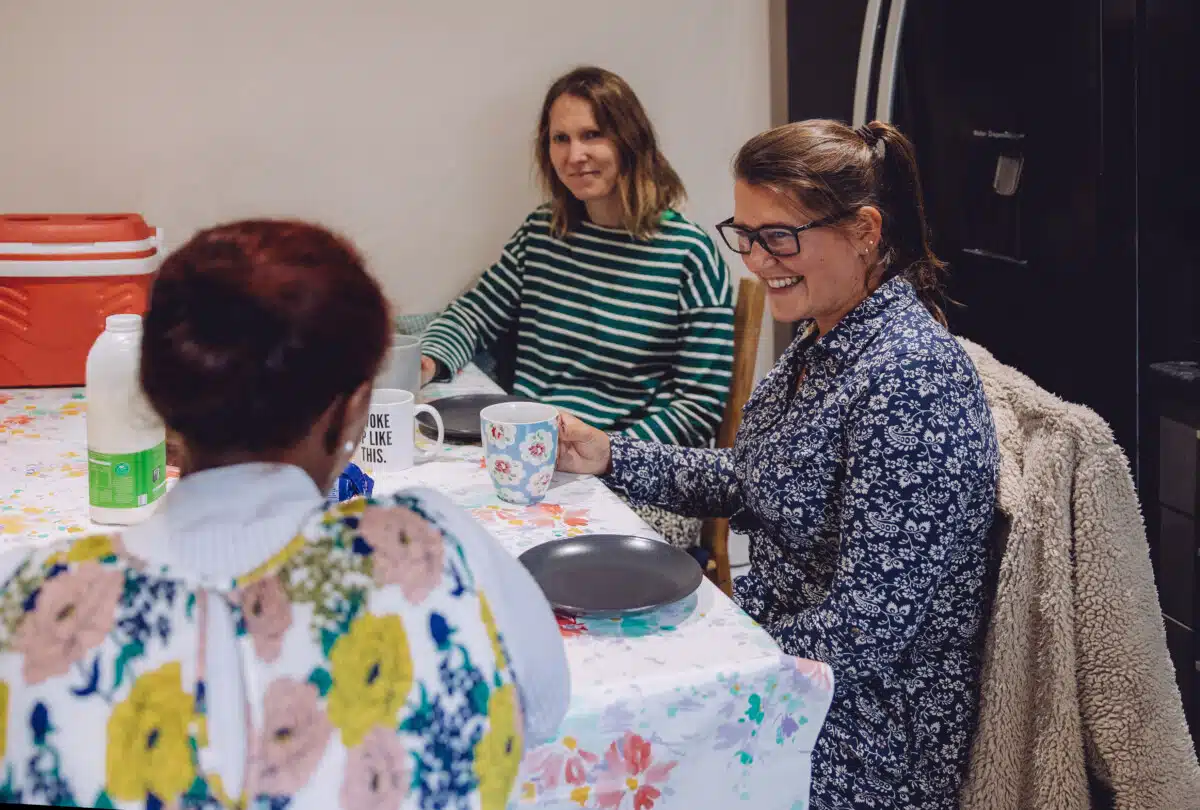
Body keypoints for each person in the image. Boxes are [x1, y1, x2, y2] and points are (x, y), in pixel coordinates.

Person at [0, 220, 569, 810]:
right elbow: (546, 708)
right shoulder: (444, 547)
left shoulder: (21, 603)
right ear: (352, 415)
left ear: (159, 403)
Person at [557, 120, 1000, 809]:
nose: (758, 261)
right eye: (747, 234)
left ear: (864, 232)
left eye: (779, 237)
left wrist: (715, 638)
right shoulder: (823, 344)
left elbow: (863, 632)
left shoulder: (913, 381)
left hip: (862, 736)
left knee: (596, 743)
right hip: (794, 670)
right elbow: (752, 478)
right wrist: (610, 454)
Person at [420, 65, 734, 549]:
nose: (575, 155)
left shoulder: (688, 253)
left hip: (631, 469)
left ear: (630, 141)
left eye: (592, 135)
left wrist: (608, 454)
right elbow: (477, 311)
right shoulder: (543, 233)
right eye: (559, 139)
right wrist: (426, 359)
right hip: (533, 455)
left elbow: (698, 405)